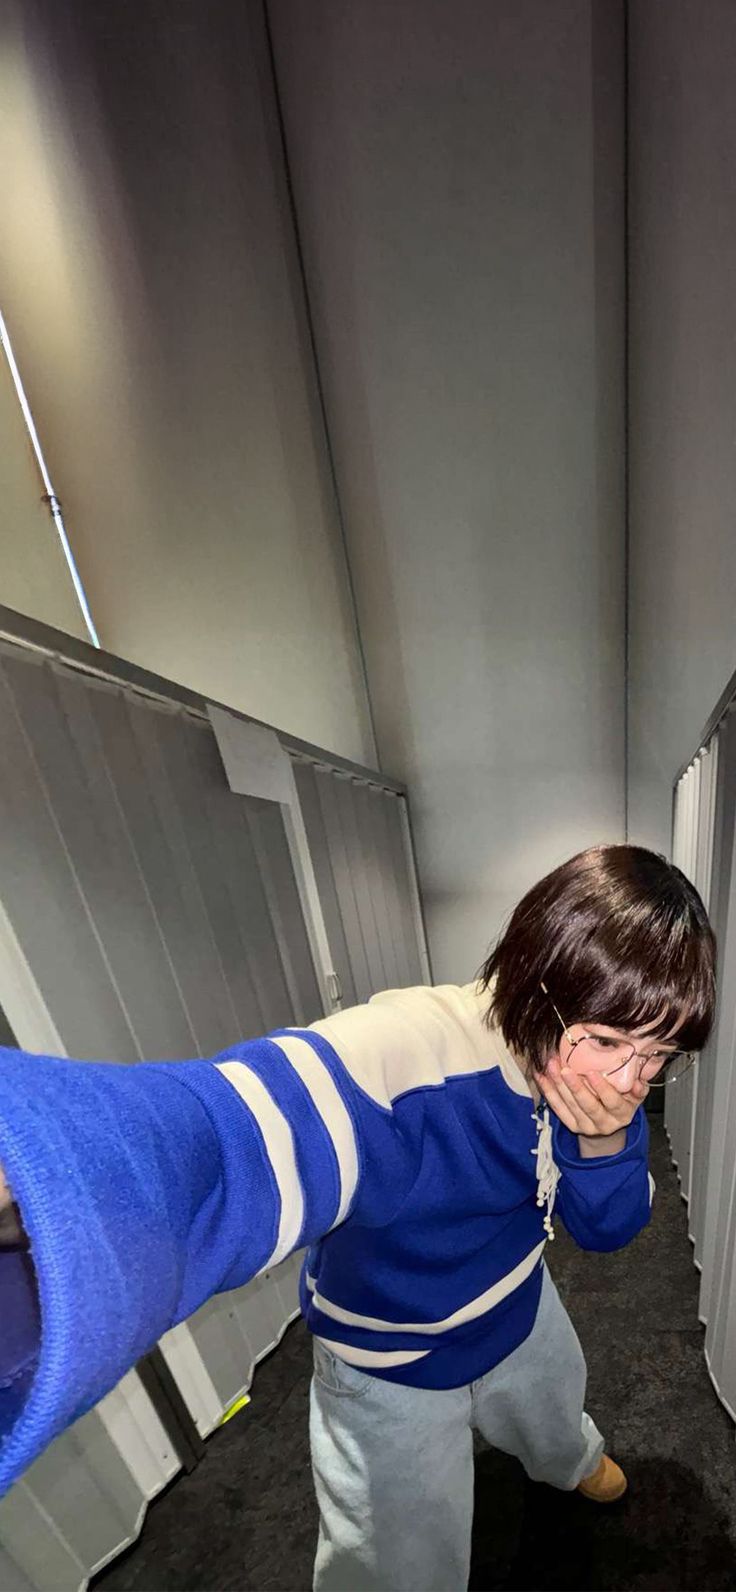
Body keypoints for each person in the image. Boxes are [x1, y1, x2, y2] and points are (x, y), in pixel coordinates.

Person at [0, 843, 716, 1591]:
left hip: (518, 1303)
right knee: (394, 1562)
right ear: (535, 983)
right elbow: (230, 1134)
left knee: (554, 1403)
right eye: (608, 1042)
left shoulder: (600, 1078)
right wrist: (44, 1161)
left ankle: (567, 1460)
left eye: (660, 1054)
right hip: (390, 1363)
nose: (630, 1081)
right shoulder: (411, 1048)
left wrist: (602, 1144)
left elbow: (609, 1232)